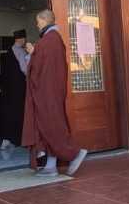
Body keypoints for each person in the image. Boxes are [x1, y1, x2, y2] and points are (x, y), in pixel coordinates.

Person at [23, 9, 88, 177]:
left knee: (50, 125)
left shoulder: (48, 41)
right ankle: (51, 166)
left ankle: (74, 153)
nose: (37, 26)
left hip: (46, 92)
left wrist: (31, 54)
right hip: (52, 91)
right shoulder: (54, 40)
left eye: (38, 22)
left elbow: (36, 68)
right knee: (50, 124)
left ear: (44, 20)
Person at [0, 29, 29, 150]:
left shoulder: (7, 52)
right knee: (19, 114)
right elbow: (25, 69)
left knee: (9, 113)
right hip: (19, 89)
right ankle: (18, 139)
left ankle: (6, 139)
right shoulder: (21, 52)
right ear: (21, 39)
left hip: (8, 90)